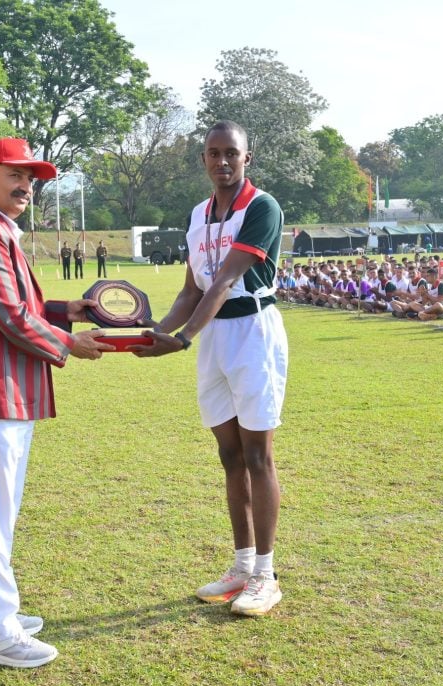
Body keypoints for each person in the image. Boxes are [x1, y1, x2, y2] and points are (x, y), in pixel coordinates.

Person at [0, 137, 109, 668]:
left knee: (0, 511)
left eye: (31, 178)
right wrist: (68, 343)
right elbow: (10, 317)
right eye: (13, 174)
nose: (25, 186)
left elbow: (25, 306)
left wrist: (69, 310)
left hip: (8, 390)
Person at [130, 120, 288, 617]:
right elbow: (191, 290)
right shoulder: (198, 213)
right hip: (213, 337)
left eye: (231, 154)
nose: (222, 162)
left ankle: (266, 574)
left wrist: (180, 339)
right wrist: (156, 331)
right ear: (203, 159)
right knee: (229, 454)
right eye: (213, 153)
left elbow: (224, 280)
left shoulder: (262, 207)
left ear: (247, 158)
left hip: (251, 332)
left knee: (258, 455)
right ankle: (241, 566)